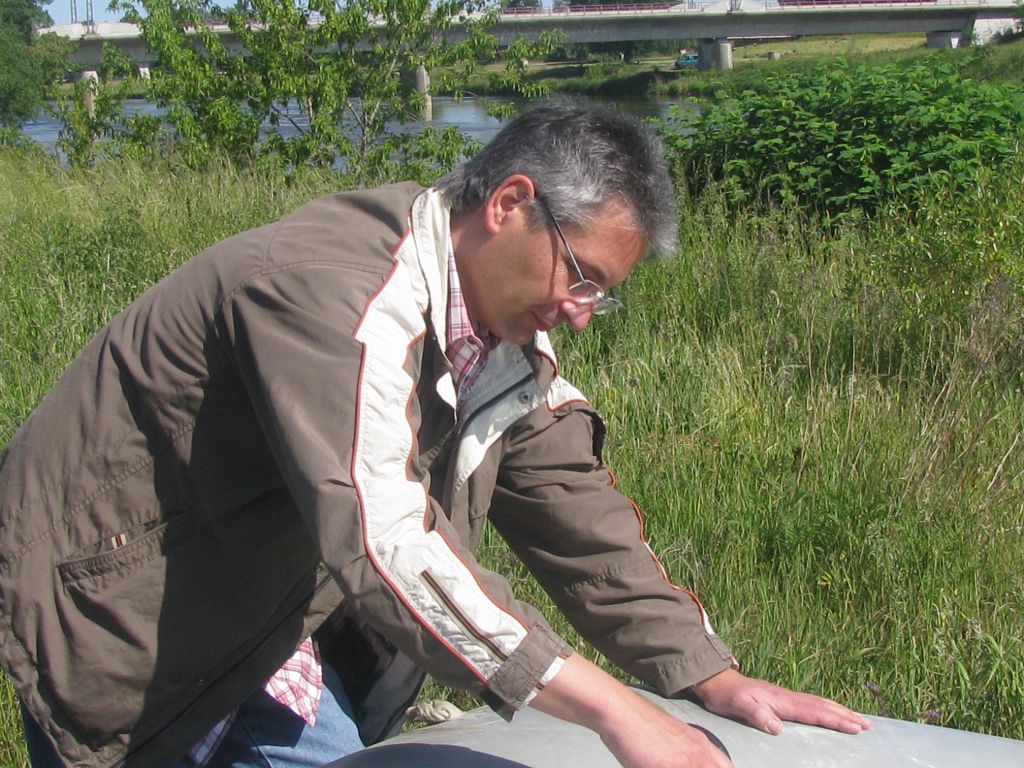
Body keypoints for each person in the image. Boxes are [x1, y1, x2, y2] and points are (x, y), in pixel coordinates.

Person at [0, 101, 870, 768]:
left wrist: (706, 672)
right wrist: (614, 710)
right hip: (133, 608)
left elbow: (576, 517)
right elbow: (385, 536)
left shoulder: (496, 335)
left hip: (273, 605)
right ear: (510, 203)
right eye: (583, 278)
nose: (583, 312)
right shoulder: (332, 293)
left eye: (603, 295)